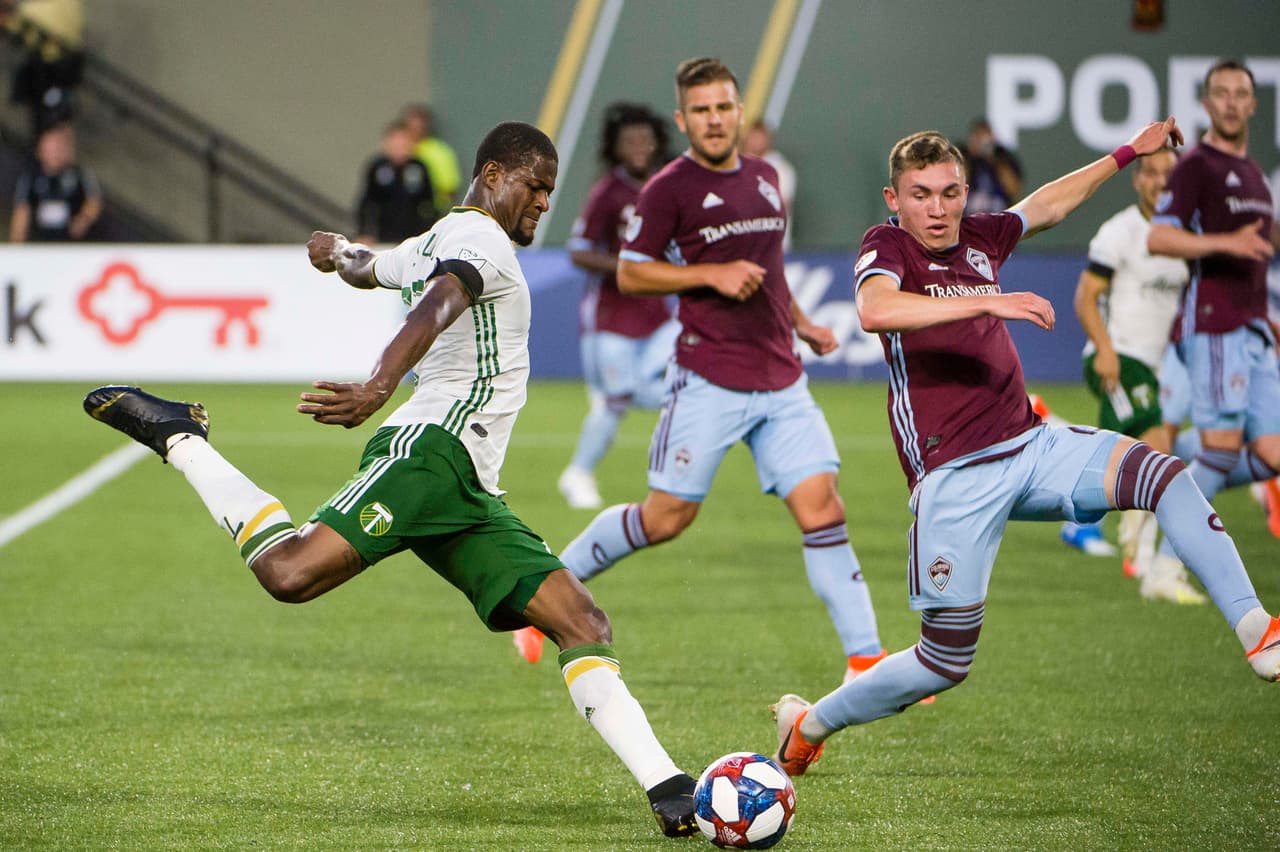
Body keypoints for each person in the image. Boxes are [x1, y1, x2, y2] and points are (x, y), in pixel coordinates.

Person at [82, 121, 700, 839]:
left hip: (468, 489)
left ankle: (671, 787)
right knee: (288, 573)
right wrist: (379, 385)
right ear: (495, 173)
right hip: (427, 454)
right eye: (535, 187)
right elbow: (438, 303)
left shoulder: (437, 238)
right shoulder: (480, 242)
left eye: (549, 193)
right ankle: (179, 436)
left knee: (581, 621)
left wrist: (333, 251)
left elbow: (370, 266)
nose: (541, 205)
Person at [771, 120, 1279, 778]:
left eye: (951, 192)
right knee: (943, 662)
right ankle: (809, 724)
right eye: (921, 194)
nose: (939, 207)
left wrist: (1126, 154)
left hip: (1032, 443)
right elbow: (878, 312)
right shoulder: (887, 246)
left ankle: (1256, 630)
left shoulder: (982, 236)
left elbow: (1047, 204)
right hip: (953, 476)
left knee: (1163, 474)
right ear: (894, 199)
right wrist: (990, 299)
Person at [532, 58, 892, 687]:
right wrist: (709, 274)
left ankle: (867, 660)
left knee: (823, 507)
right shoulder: (668, 188)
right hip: (709, 378)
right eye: (701, 110)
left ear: (738, 111)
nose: (715, 119)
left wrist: (802, 321)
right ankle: (539, 594)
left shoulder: (765, 177)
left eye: (724, 107)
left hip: (782, 380)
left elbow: (769, 267)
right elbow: (631, 271)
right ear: (684, 119)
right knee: (665, 518)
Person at [1146, 59, 1280, 573]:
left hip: (1252, 328)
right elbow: (1160, 236)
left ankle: (1182, 486)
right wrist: (1226, 242)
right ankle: (1164, 560)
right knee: (1220, 453)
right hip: (1215, 323)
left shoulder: (1253, 174)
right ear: (1206, 103)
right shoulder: (1197, 165)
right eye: (1219, 93)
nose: (1229, 101)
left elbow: (1254, 259)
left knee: (1270, 454)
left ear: (1253, 103)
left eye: (1239, 93)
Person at [1070, 148, 1201, 601]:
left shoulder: (1186, 238)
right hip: (1117, 359)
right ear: (1136, 179)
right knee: (1161, 452)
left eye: (1169, 174)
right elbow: (1085, 297)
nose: (1160, 181)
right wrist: (1104, 350)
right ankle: (1149, 563)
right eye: (1150, 173)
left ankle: (1109, 526)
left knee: (1115, 457)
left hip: (1156, 364)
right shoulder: (1121, 232)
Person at [554, 102, 678, 514]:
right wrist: (629, 269)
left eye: (646, 139)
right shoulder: (607, 193)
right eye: (630, 141)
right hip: (612, 317)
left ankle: (674, 473)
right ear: (616, 147)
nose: (640, 147)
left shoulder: (669, 185)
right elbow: (580, 251)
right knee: (619, 398)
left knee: (670, 385)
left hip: (661, 314)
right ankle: (579, 472)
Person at [9, 121, 100, 242]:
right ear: (40, 151)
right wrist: (16, 243)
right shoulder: (31, 177)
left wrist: (83, 220)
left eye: (58, 147)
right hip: (41, 243)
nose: (55, 153)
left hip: (73, 245)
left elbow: (93, 202)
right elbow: (22, 210)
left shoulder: (79, 174)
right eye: (50, 148)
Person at [355, 121, 436, 245]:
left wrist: (428, 235)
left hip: (412, 240)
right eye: (395, 143)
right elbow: (367, 204)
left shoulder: (419, 168)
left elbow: (428, 205)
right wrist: (365, 233)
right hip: (382, 238)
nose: (399, 148)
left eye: (404, 143)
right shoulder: (377, 167)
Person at [741, 119, 796, 250]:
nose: (756, 142)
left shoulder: (780, 167)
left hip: (773, 243)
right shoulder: (735, 165)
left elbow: (782, 204)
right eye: (753, 137)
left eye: (760, 137)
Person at [402, 104, 463, 215]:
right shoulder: (399, 151)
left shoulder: (440, 151)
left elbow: (450, 187)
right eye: (411, 126)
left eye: (419, 126)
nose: (415, 130)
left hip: (430, 212)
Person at [961, 118, 1023, 214]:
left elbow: (1013, 190)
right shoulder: (964, 157)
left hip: (999, 217)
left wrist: (994, 159)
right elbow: (958, 184)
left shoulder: (1003, 157)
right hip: (970, 217)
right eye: (978, 137)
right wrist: (971, 156)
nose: (982, 143)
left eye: (985, 137)